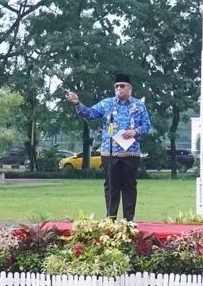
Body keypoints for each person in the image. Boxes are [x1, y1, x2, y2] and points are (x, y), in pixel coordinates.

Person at [65, 73, 152, 221]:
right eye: (116, 86)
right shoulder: (107, 104)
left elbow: (147, 126)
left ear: (129, 89)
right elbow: (90, 114)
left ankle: (128, 221)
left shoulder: (138, 105)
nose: (119, 89)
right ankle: (110, 219)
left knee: (129, 187)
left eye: (122, 86)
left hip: (130, 153)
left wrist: (135, 132)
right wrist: (77, 104)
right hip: (109, 153)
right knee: (111, 186)